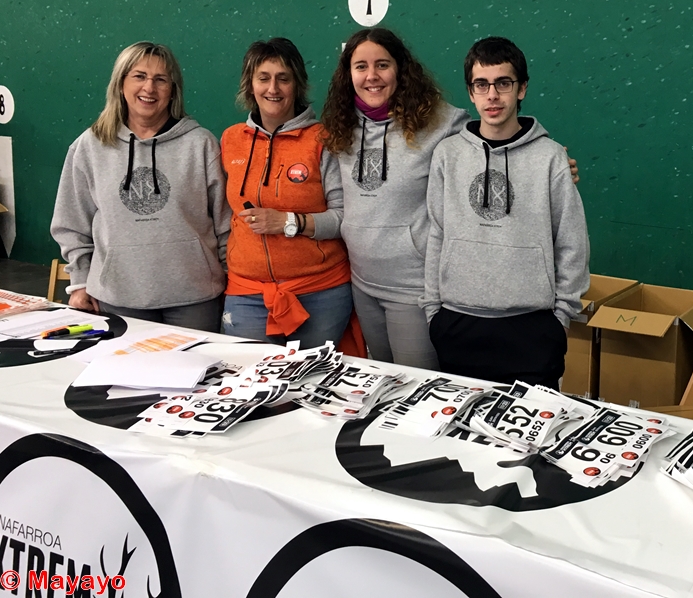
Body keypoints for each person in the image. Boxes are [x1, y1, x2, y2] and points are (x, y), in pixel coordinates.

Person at [421, 37, 590, 388]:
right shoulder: (448, 155)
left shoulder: (550, 158)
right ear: (471, 93)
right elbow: (436, 232)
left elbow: (572, 242)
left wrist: (562, 317)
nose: (493, 95)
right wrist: (433, 310)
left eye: (503, 83)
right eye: (481, 85)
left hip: (532, 327)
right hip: (457, 323)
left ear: (522, 88)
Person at [50, 42, 229, 331]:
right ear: (121, 84)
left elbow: (226, 223)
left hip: (195, 297)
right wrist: (80, 282)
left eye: (161, 79)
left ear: (173, 90)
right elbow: (71, 224)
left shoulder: (201, 145)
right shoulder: (90, 146)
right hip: (118, 295)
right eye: (139, 76)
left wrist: (232, 279)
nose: (149, 88)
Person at [320, 28, 469, 369]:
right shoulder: (341, 127)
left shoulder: (441, 123)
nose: (371, 76)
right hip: (362, 285)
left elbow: (486, 156)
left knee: (415, 387)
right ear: (348, 74)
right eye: (361, 66)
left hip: (414, 290)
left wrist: (538, 165)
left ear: (401, 69)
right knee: (384, 383)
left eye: (382, 65)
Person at [220, 37, 352, 348]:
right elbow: (222, 215)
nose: (273, 88)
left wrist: (288, 222)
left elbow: (343, 218)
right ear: (250, 85)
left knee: (312, 378)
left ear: (298, 84)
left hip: (320, 292)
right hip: (246, 293)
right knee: (248, 376)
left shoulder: (323, 139)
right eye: (263, 78)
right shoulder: (230, 140)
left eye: (283, 78)